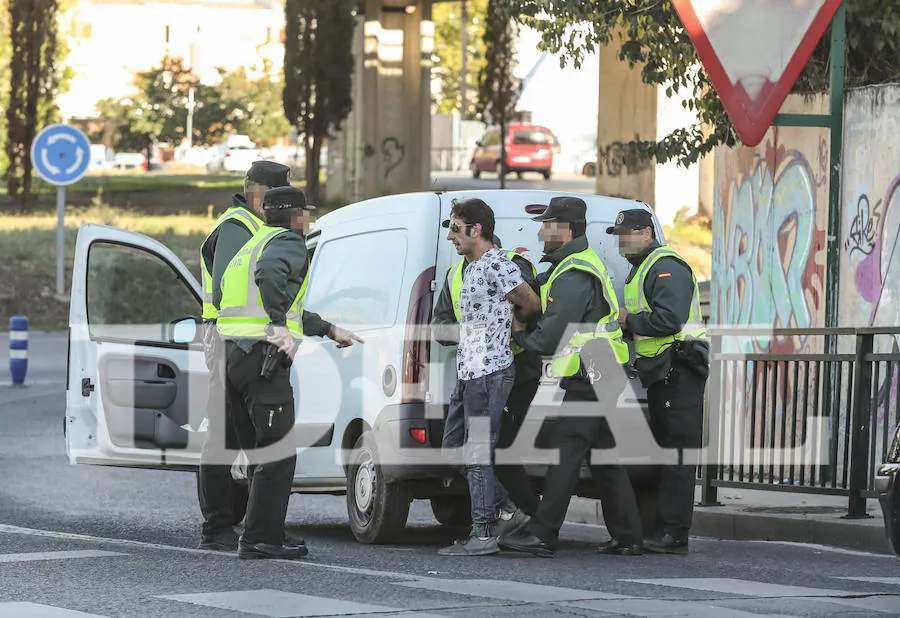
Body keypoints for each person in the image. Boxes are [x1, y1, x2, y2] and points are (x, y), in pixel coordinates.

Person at [217, 186, 362, 560]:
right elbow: (271, 277)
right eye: (306, 213)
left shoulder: (253, 244)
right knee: (278, 454)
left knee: (260, 454)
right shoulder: (287, 243)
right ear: (296, 216)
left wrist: (328, 329)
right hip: (262, 359)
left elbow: (271, 299)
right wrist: (278, 324)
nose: (308, 219)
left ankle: (261, 533)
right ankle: (261, 539)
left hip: (235, 357)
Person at [498, 196, 643, 557]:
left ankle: (542, 533)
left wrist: (517, 334)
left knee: (565, 452)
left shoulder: (575, 273)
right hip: (601, 370)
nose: (542, 230)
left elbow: (550, 337)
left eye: (546, 224)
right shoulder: (568, 268)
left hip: (594, 372)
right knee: (604, 457)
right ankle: (629, 535)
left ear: (563, 228)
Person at [437, 198, 541, 556]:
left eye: (455, 227)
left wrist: (519, 323)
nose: (450, 236)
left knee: (478, 452)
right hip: (469, 370)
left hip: (490, 370)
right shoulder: (469, 267)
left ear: (476, 229)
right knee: (453, 450)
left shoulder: (497, 263)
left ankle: (482, 534)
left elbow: (530, 302)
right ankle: (508, 508)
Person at [197, 160, 291, 551]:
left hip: (235, 340)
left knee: (248, 435)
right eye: (278, 194)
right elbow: (229, 290)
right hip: (232, 341)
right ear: (260, 194)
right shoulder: (237, 227)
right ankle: (219, 528)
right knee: (225, 436)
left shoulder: (251, 226)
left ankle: (260, 527)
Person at [608, 208, 709, 555]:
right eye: (618, 236)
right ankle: (662, 527)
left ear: (647, 232)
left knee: (677, 454)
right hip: (663, 373)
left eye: (627, 234)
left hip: (679, 371)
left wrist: (628, 320)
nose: (621, 242)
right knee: (665, 452)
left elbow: (669, 319)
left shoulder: (666, 266)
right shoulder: (643, 269)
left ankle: (673, 531)